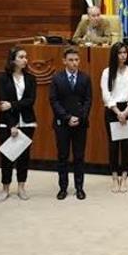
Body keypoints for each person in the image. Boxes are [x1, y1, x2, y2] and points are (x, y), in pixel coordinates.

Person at [49, 47, 92, 200]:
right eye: (71, 60)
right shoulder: (57, 78)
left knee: (79, 156)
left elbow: (88, 101)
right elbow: (54, 101)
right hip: (62, 124)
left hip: (80, 124)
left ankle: (79, 187)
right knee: (63, 156)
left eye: (76, 60)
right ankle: (63, 188)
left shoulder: (85, 78)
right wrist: (67, 118)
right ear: (64, 61)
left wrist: (80, 117)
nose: (74, 63)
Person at [0, 47, 37, 202]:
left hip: (27, 122)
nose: (25, 60)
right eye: (21, 57)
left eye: (26, 57)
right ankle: (5, 187)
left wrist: (12, 105)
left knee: (24, 157)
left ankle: (21, 186)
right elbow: (2, 103)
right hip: (6, 123)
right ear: (13, 59)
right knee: (7, 156)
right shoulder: (3, 79)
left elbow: (30, 101)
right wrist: (12, 125)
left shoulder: (30, 79)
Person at [101, 42, 128, 193]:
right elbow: (106, 95)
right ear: (114, 55)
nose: (123, 55)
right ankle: (114, 178)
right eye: (120, 53)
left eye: (125, 52)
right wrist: (118, 112)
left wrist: (126, 111)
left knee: (126, 146)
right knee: (113, 146)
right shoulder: (107, 72)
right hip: (113, 110)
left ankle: (124, 178)